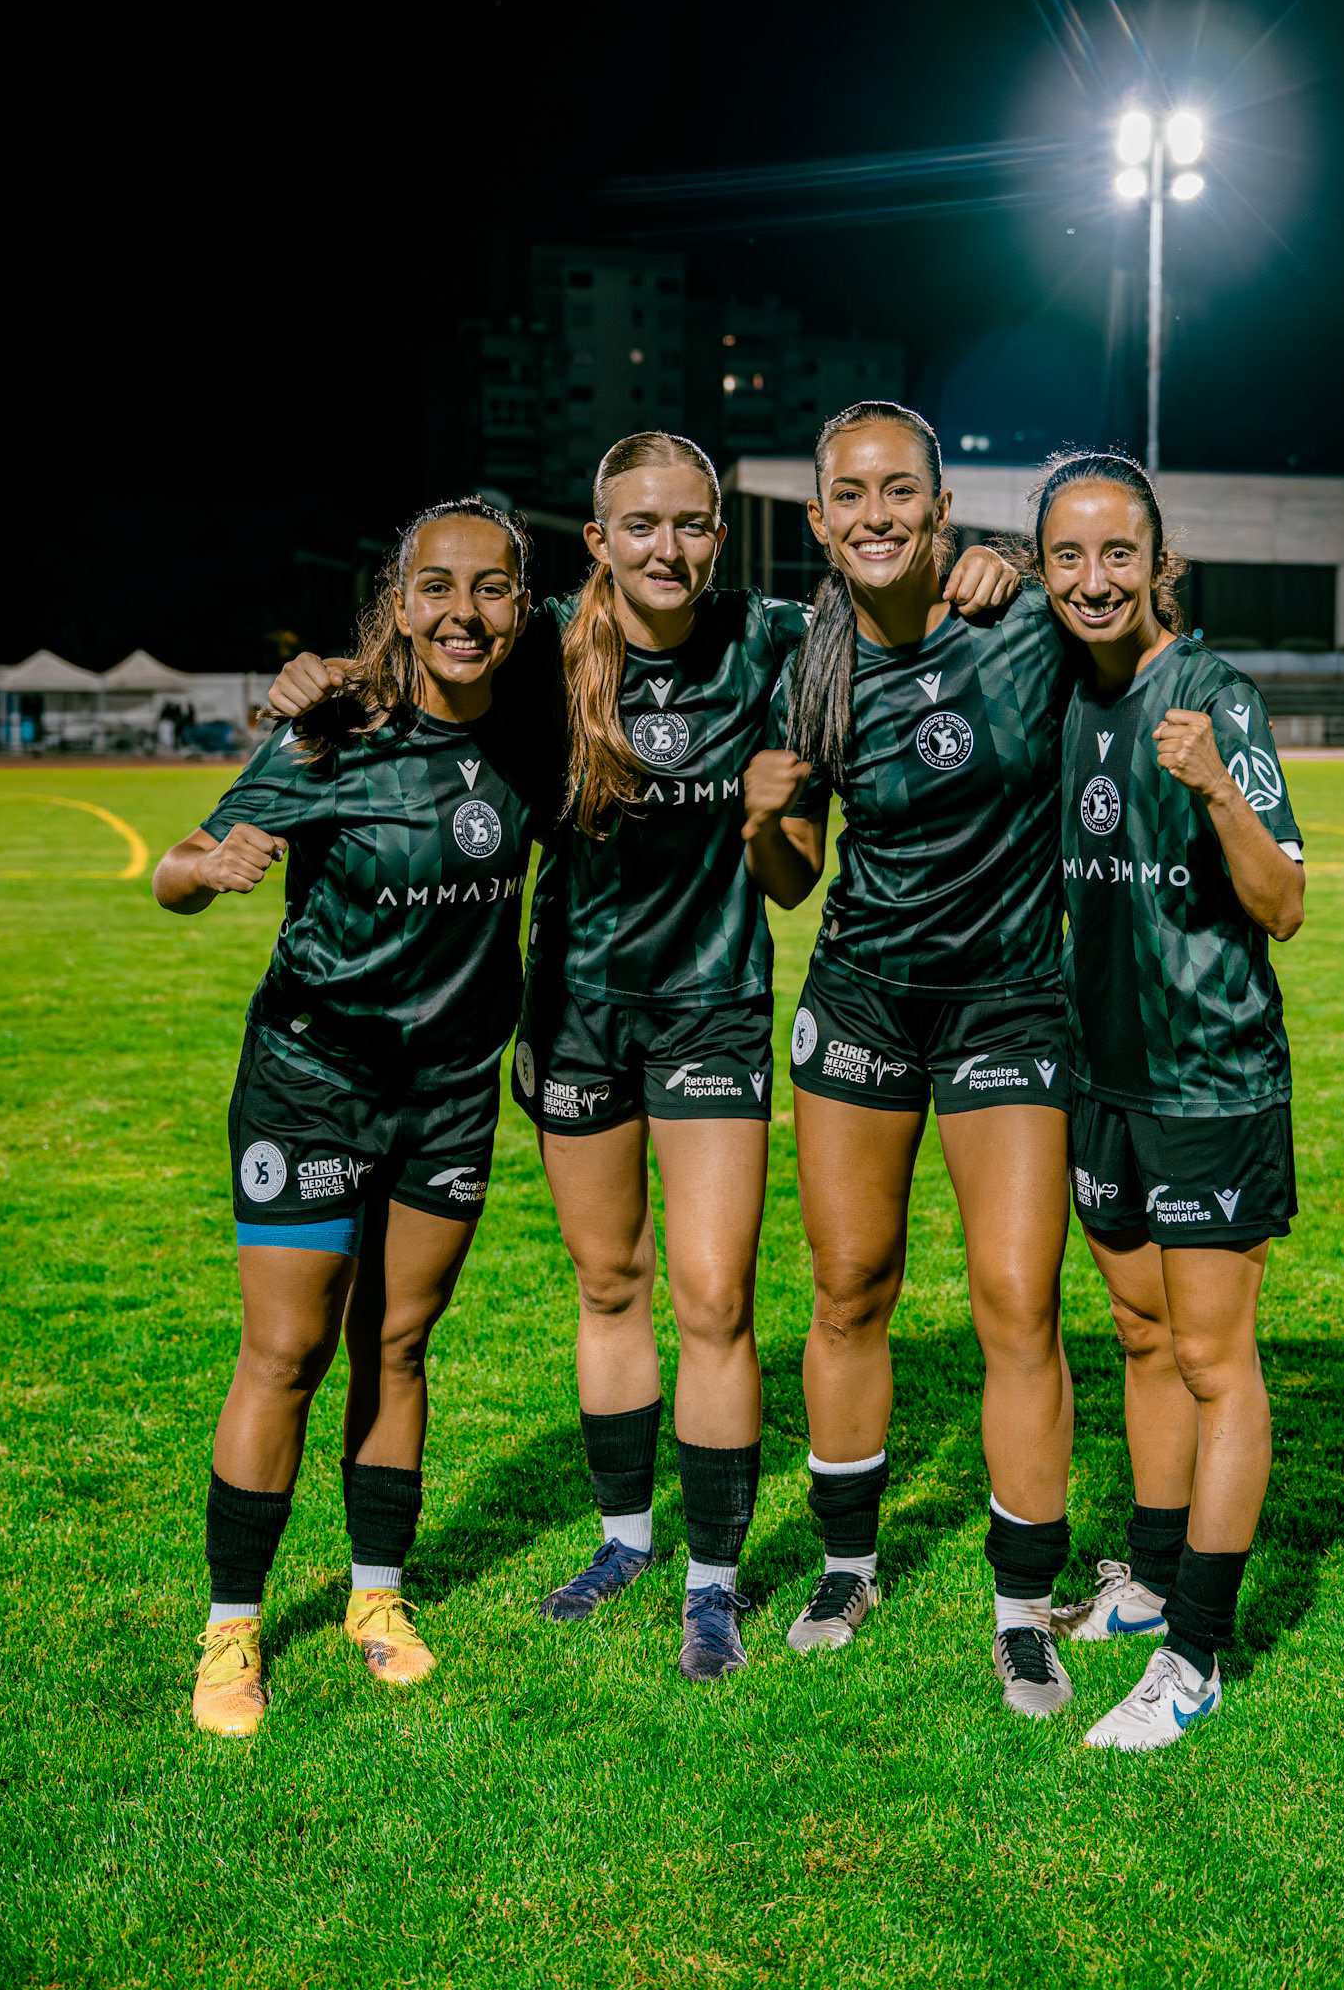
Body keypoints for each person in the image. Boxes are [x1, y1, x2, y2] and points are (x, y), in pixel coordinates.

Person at [266, 435, 1021, 1684]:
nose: (665, 547)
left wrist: (975, 564)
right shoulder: (545, 642)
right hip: (574, 1010)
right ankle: (625, 1537)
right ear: (598, 540)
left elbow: (879, 616)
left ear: (718, 537)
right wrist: (323, 669)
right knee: (608, 1281)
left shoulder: (772, 636)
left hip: (713, 1004)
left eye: (689, 524)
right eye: (640, 524)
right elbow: (427, 655)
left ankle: (712, 1584)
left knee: (715, 1295)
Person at [154, 497, 553, 1736]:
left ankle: (375, 1598)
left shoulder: (539, 735)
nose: (463, 612)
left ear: (521, 608)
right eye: (437, 587)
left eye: (490, 588)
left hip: (444, 1100)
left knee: (399, 1344)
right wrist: (205, 869)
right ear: (398, 603)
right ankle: (232, 1627)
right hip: (310, 1083)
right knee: (285, 1352)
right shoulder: (334, 734)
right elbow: (177, 865)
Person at [765, 401, 1077, 1721]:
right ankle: (847, 1567)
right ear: (821, 519)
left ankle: (1021, 1608)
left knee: (1015, 1298)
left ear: (942, 510)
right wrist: (760, 821)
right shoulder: (813, 659)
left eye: (903, 491)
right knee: (848, 1289)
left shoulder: (1018, 627)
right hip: (863, 1005)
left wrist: (1022, 557)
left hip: (1008, 1002)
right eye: (852, 494)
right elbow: (792, 883)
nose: (877, 513)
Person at [1035, 451, 1305, 1751]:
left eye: (1116, 555)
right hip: (1104, 1080)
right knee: (1140, 1340)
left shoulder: (1214, 700)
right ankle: (1144, 1586)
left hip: (1208, 1081)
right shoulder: (1063, 697)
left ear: (1161, 564)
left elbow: (1283, 905)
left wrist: (1211, 789)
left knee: (1212, 1359)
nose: (1093, 580)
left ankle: (1193, 1656)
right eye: (1067, 558)